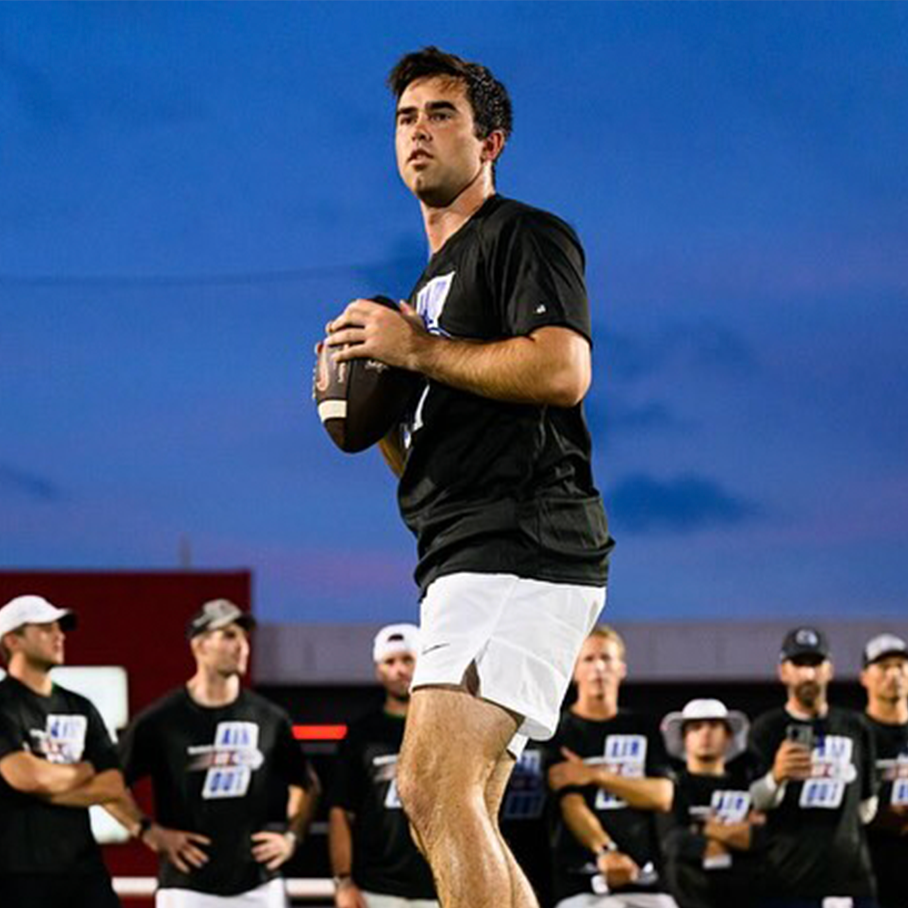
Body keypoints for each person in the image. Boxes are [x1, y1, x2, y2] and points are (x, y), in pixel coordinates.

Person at [323, 46, 613, 908]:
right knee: (461, 809)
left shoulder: (524, 234)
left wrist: (416, 351)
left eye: (441, 114)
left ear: (491, 141)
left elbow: (562, 369)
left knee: (429, 788)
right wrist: (373, 413)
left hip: (520, 538)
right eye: (405, 118)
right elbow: (426, 466)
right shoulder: (425, 289)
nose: (418, 130)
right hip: (464, 548)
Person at [107, 598, 319, 908]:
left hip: (260, 886)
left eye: (244, 637)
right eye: (229, 635)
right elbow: (106, 783)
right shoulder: (162, 720)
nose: (242, 646)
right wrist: (149, 832)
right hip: (187, 888)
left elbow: (307, 784)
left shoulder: (269, 719)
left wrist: (291, 837)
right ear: (200, 645)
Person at [0, 594, 125, 908]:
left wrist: (44, 788)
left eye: (60, 628)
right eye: (46, 629)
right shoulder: (4, 705)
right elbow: (24, 776)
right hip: (15, 874)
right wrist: (85, 769)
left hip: (83, 871)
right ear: (13, 640)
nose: (59, 636)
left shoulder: (80, 706)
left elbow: (112, 785)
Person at [545, 626, 676, 908]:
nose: (599, 667)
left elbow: (662, 795)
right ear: (574, 671)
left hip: (648, 879)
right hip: (581, 879)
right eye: (589, 659)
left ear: (622, 669)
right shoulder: (559, 730)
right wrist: (606, 851)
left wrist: (594, 774)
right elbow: (569, 801)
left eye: (606, 658)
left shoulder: (642, 726)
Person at [748, 626, 878, 907]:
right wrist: (776, 777)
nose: (808, 674)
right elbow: (754, 803)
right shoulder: (767, 729)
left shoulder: (855, 726)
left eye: (816, 663)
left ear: (830, 669)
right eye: (799, 664)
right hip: (786, 883)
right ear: (783, 671)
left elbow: (867, 808)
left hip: (850, 882)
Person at [328, 623, 438, 908]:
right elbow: (341, 812)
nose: (399, 670)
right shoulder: (361, 735)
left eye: (407, 659)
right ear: (378, 670)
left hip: (439, 887)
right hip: (375, 889)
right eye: (389, 662)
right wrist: (343, 880)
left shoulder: (447, 730)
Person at [658, 698, 761, 908]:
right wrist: (728, 834)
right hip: (684, 899)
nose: (705, 733)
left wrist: (698, 827)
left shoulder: (747, 787)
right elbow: (672, 840)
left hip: (743, 897)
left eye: (714, 726)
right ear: (684, 738)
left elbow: (758, 839)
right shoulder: (670, 787)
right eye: (696, 727)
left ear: (728, 735)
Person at [860, 633, 908, 908]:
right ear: (864, 677)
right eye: (883, 666)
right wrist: (885, 816)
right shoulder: (853, 734)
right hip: (870, 874)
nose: (893, 674)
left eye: (900, 665)